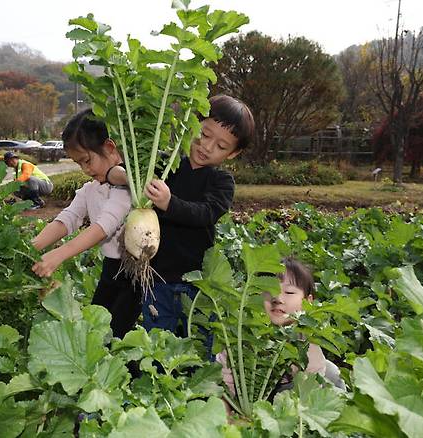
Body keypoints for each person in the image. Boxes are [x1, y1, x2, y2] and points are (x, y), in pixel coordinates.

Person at [108, 94, 255, 335]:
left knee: (197, 338)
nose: (207, 147)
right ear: (192, 125)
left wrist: (169, 203)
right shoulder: (165, 165)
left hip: (197, 282)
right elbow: (114, 172)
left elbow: (205, 213)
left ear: (232, 154)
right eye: (205, 135)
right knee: (157, 336)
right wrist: (129, 177)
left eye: (220, 146)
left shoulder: (221, 182)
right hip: (156, 277)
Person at [30, 109, 140, 339]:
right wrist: (31, 247)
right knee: (94, 331)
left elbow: (103, 227)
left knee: (117, 337)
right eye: (79, 163)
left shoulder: (128, 189)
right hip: (112, 269)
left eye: (87, 160)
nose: (85, 169)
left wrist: (59, 255)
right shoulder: (91, 189)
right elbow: (67, 218)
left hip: (137, 275)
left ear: (110, 148)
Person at [218, 258, 345, 399]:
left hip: (286, 403)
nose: (277, 298)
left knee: (331, 373)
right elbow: (224, 383)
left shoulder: (306, 341)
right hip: (247, 397)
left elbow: (308, 396)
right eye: (269, 290)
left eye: (289, 292)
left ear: (307, 302)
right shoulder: (243, 334)